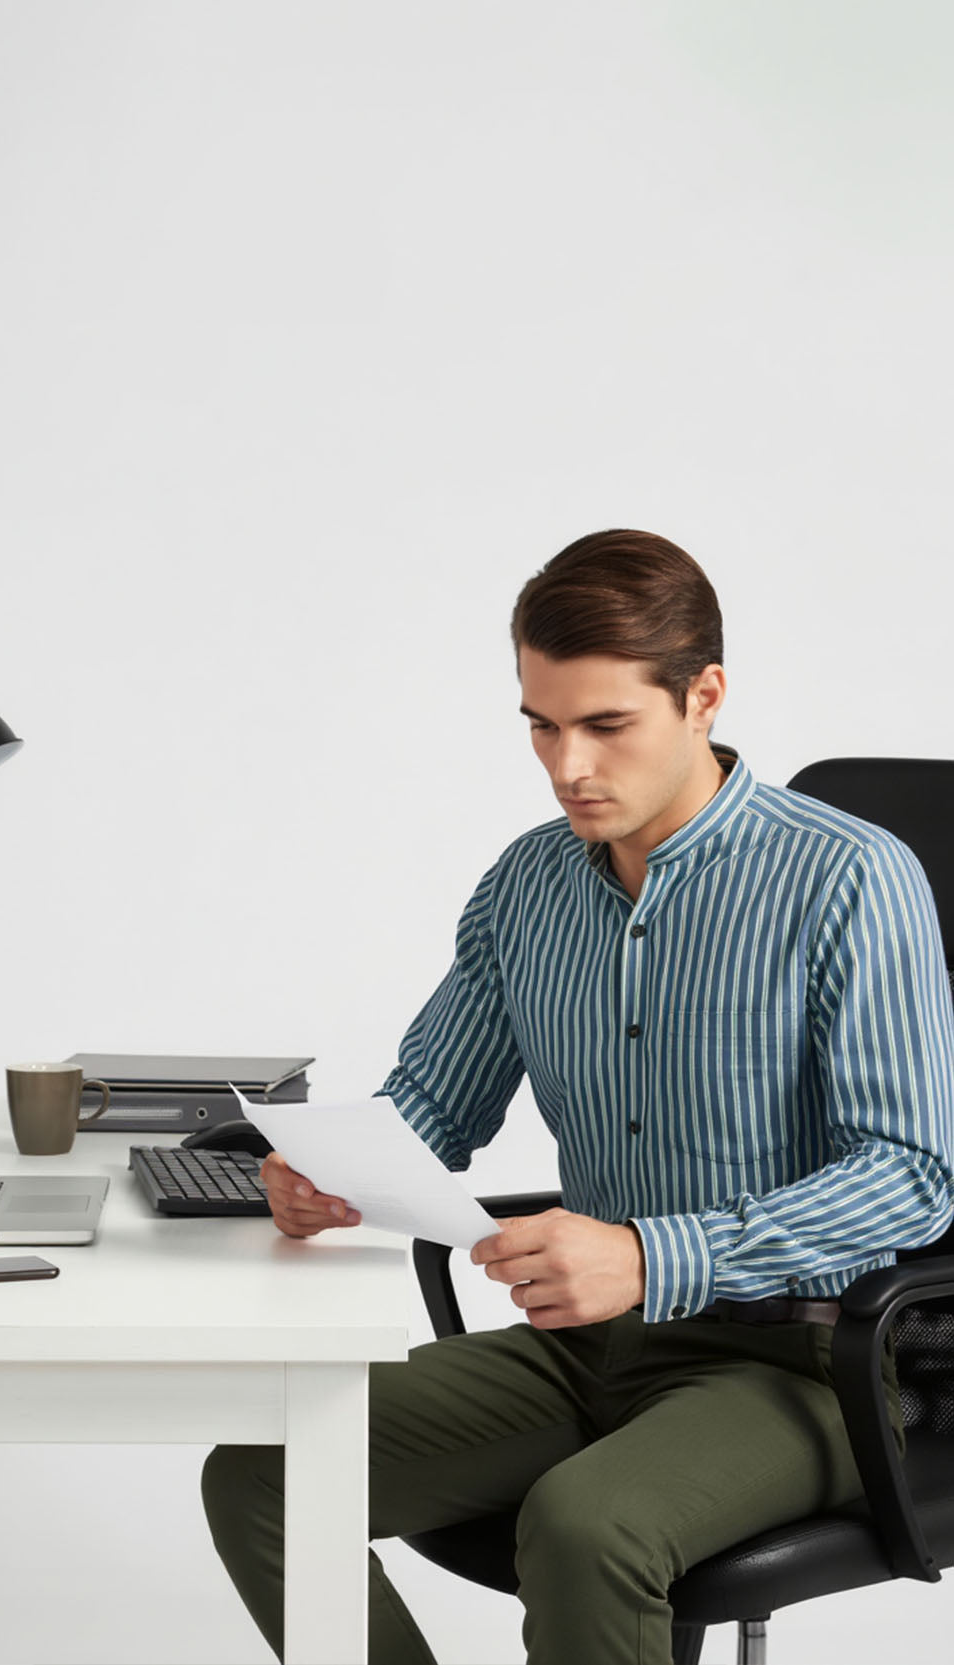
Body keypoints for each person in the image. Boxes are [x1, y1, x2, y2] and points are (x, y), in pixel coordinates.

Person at [202, 528, 954, 1665]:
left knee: (584, 1525)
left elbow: (912, 1177)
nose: (568, 767)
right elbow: (432, 1106)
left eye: (607, 725)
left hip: (806, 1361)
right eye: (543, 726)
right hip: (589, 1343)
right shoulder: (528, 885)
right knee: (267, 1474)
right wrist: (334, 1173)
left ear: (703, 697)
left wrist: (652, 1255)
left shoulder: (849, 877)